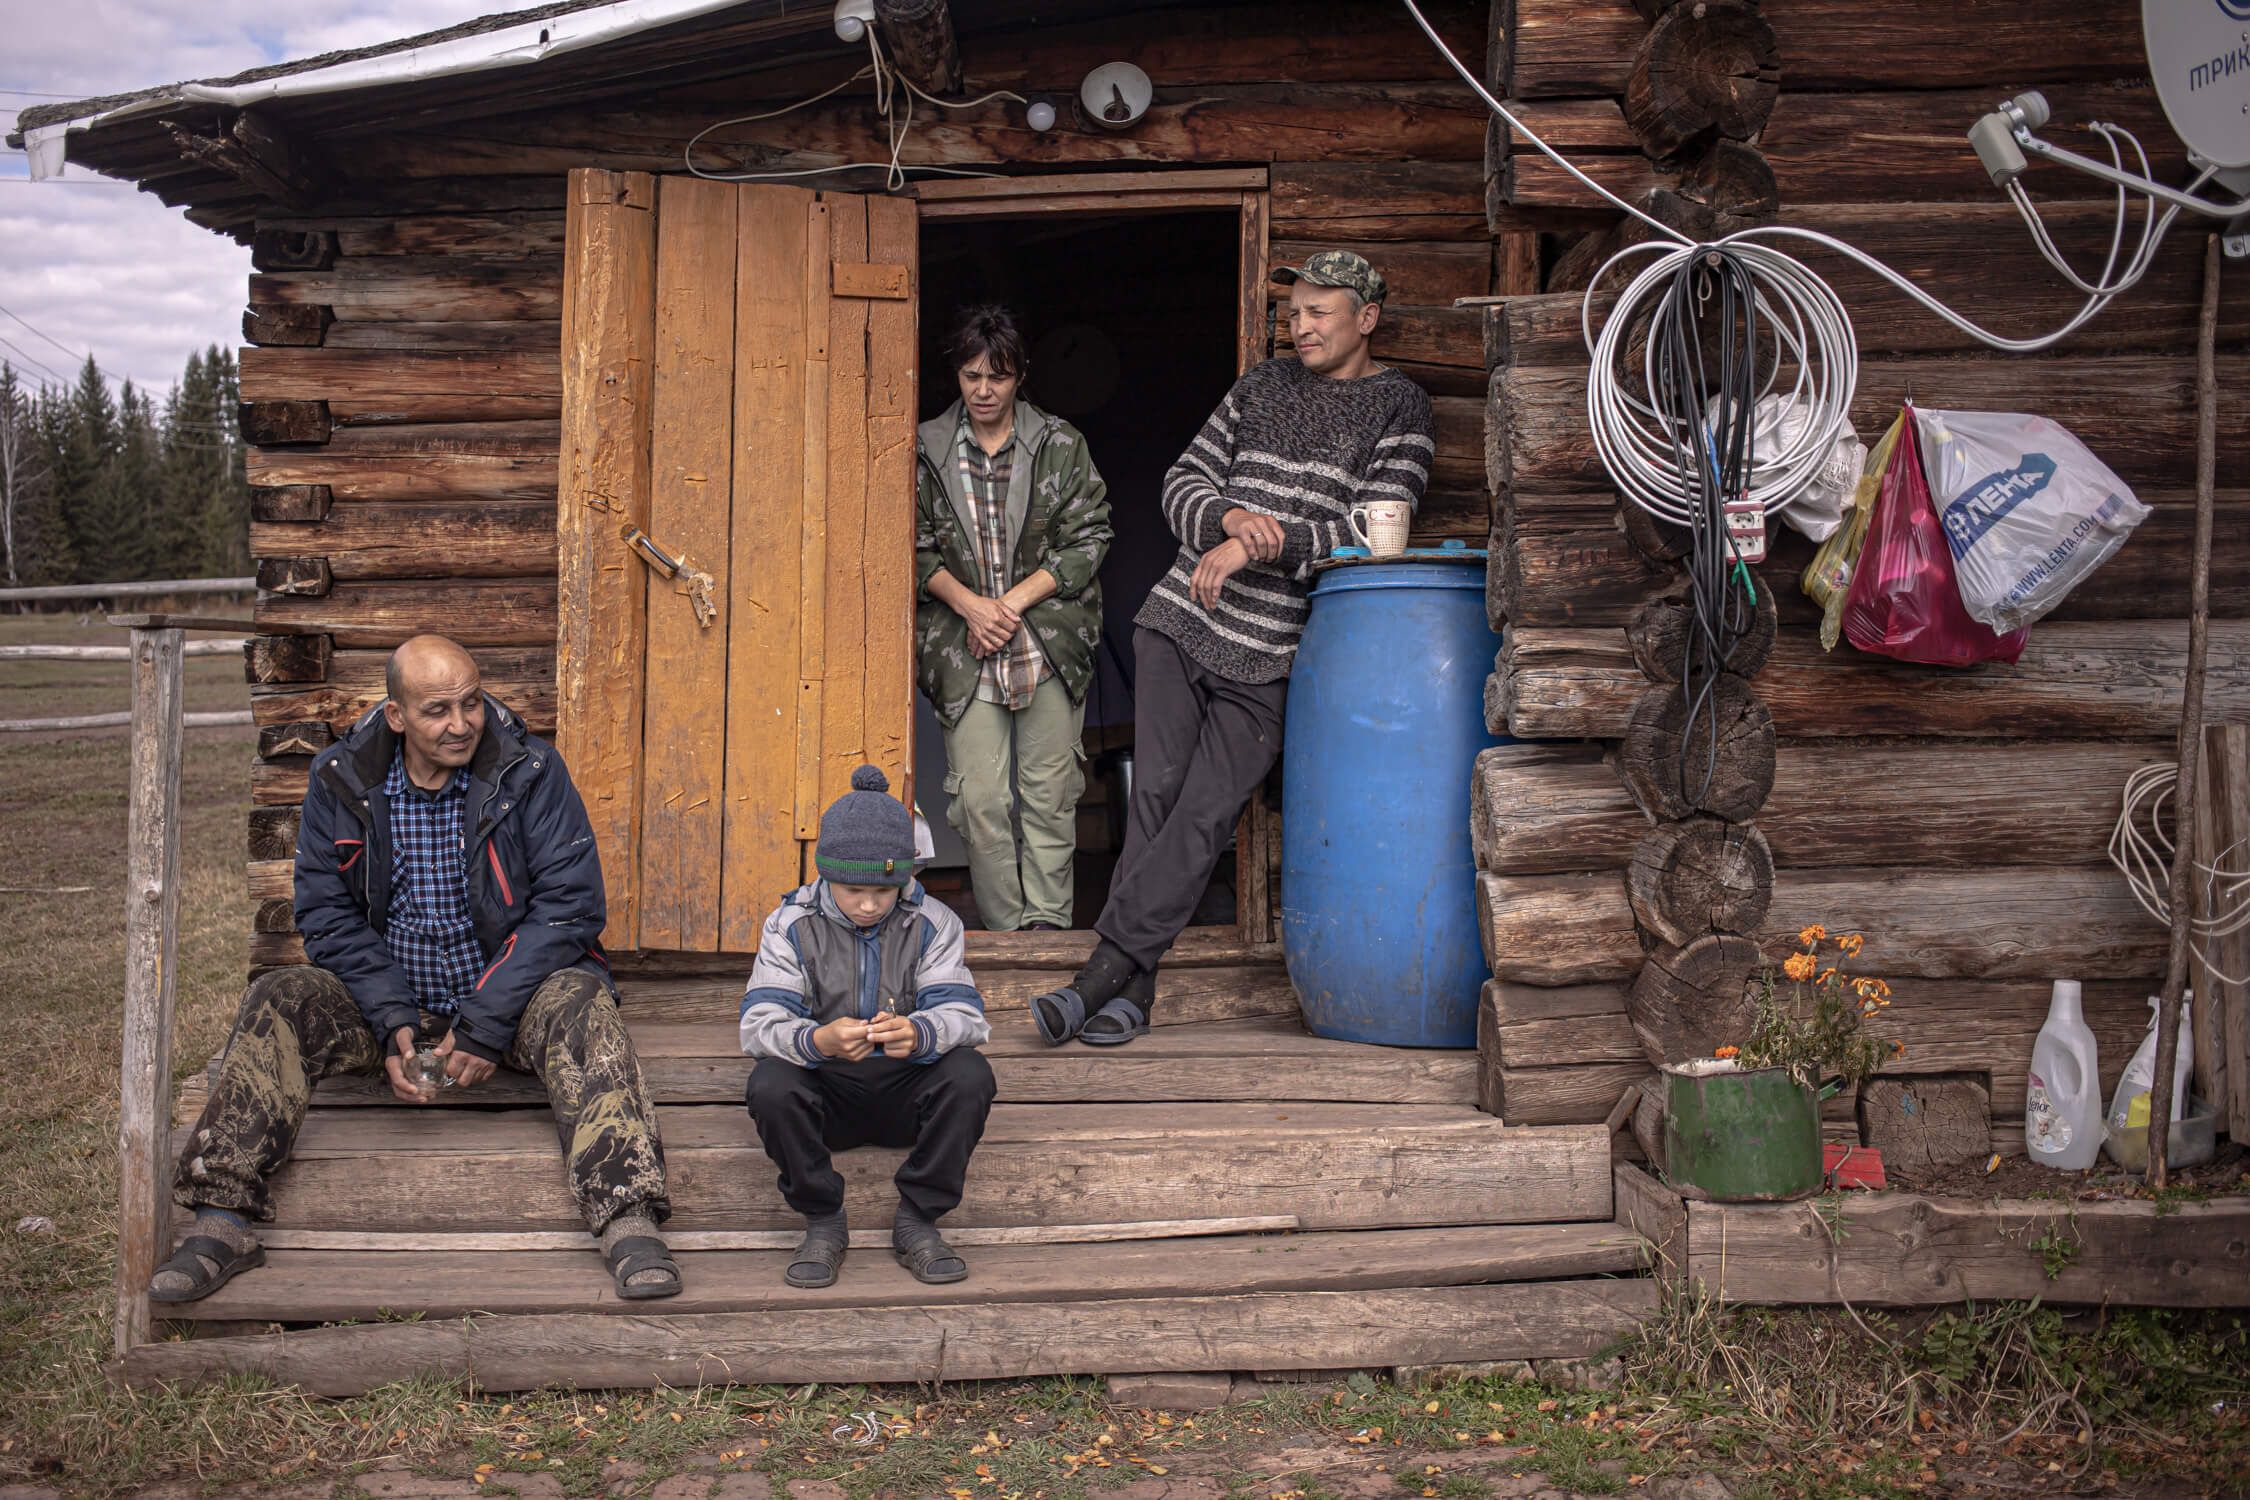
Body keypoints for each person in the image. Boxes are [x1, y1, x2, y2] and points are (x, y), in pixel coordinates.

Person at [152, 635, 680, 1302]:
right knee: (282, 995)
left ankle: (628, 1217)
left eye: (471, 703)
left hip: (508, 999)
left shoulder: (530, 770)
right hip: (391, 1000)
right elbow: (326, 914)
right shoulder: (341, 779)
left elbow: (569, 906)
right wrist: (389, 1018)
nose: (461, 724)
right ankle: (221, 1221)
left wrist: (485, 1022)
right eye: (437, 710)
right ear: (397, 715)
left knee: (581, 997)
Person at [1029, 251, 1435, 1047]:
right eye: (1295, 311)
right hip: (1181, 620)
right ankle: (1130, 998)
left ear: (1367, 319)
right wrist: (1225, 520)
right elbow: (1182, 482)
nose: (1301, 326)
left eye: (1319, 312)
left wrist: (1259, 543)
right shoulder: (1260, 385)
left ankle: (1098, 979)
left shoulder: (1402, 407)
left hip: (1273, 650)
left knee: (1205, 814)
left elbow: (1373, 528)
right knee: (1155, 798)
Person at [739, 765, 996, 1289]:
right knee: (770, 1083)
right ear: (826, 876)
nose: (869, 904)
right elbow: (759, 1025)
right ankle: (823, 1220)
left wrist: (921, 1033)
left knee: (970, 1074)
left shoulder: (935, 922)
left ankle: (918, 1219)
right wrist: (817, 1040)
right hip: (827, 1096)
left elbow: (966, 1017)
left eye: (885, 889)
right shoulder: (789, 924)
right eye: (853, 889)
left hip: (907, 1096)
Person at [915, 304, 1113, 932]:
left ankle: (1048, 932)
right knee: (980, 800)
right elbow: (909, 546)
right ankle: (1007, 936)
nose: (983, 390)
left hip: (1046, 643)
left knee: (1050, 797)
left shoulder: (1059, 443)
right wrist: (972, 607)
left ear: (1020, 376)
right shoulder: (924, 448)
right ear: (957, 375)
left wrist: (1008, 605)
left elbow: (1090, 536)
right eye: (971, 375)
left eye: (997, 377)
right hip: (964, 646)